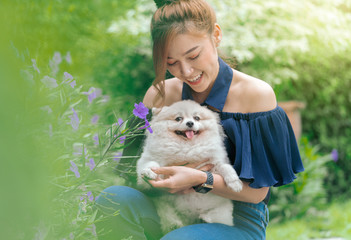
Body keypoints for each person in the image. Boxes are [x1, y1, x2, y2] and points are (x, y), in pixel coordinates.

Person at [95, 0, 304, 239]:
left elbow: (257, 193)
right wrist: (159, 177)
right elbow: (134, 170)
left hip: (233, 219)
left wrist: (198, 178)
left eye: (193, 55)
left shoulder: (255, 94)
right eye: (171, 63)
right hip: (166, 206)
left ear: (216, 35)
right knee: (112, 199)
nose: (185, 72)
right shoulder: (161, 94)